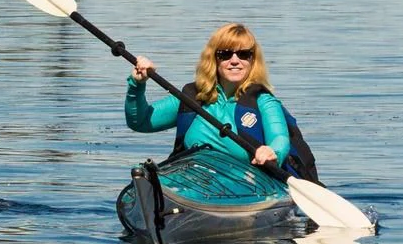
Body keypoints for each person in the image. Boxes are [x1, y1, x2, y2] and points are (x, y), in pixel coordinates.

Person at [125, 24, 297, 178]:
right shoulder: (193, 97)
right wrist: (137, 85)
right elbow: (141, 121)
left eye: (244, 54)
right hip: (192, 183)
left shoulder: (263, 101)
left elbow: (280, 138)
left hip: (247, 187)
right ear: (214, 59)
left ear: (253, 61)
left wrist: (272, 152)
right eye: (226, 54)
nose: (235, 60)